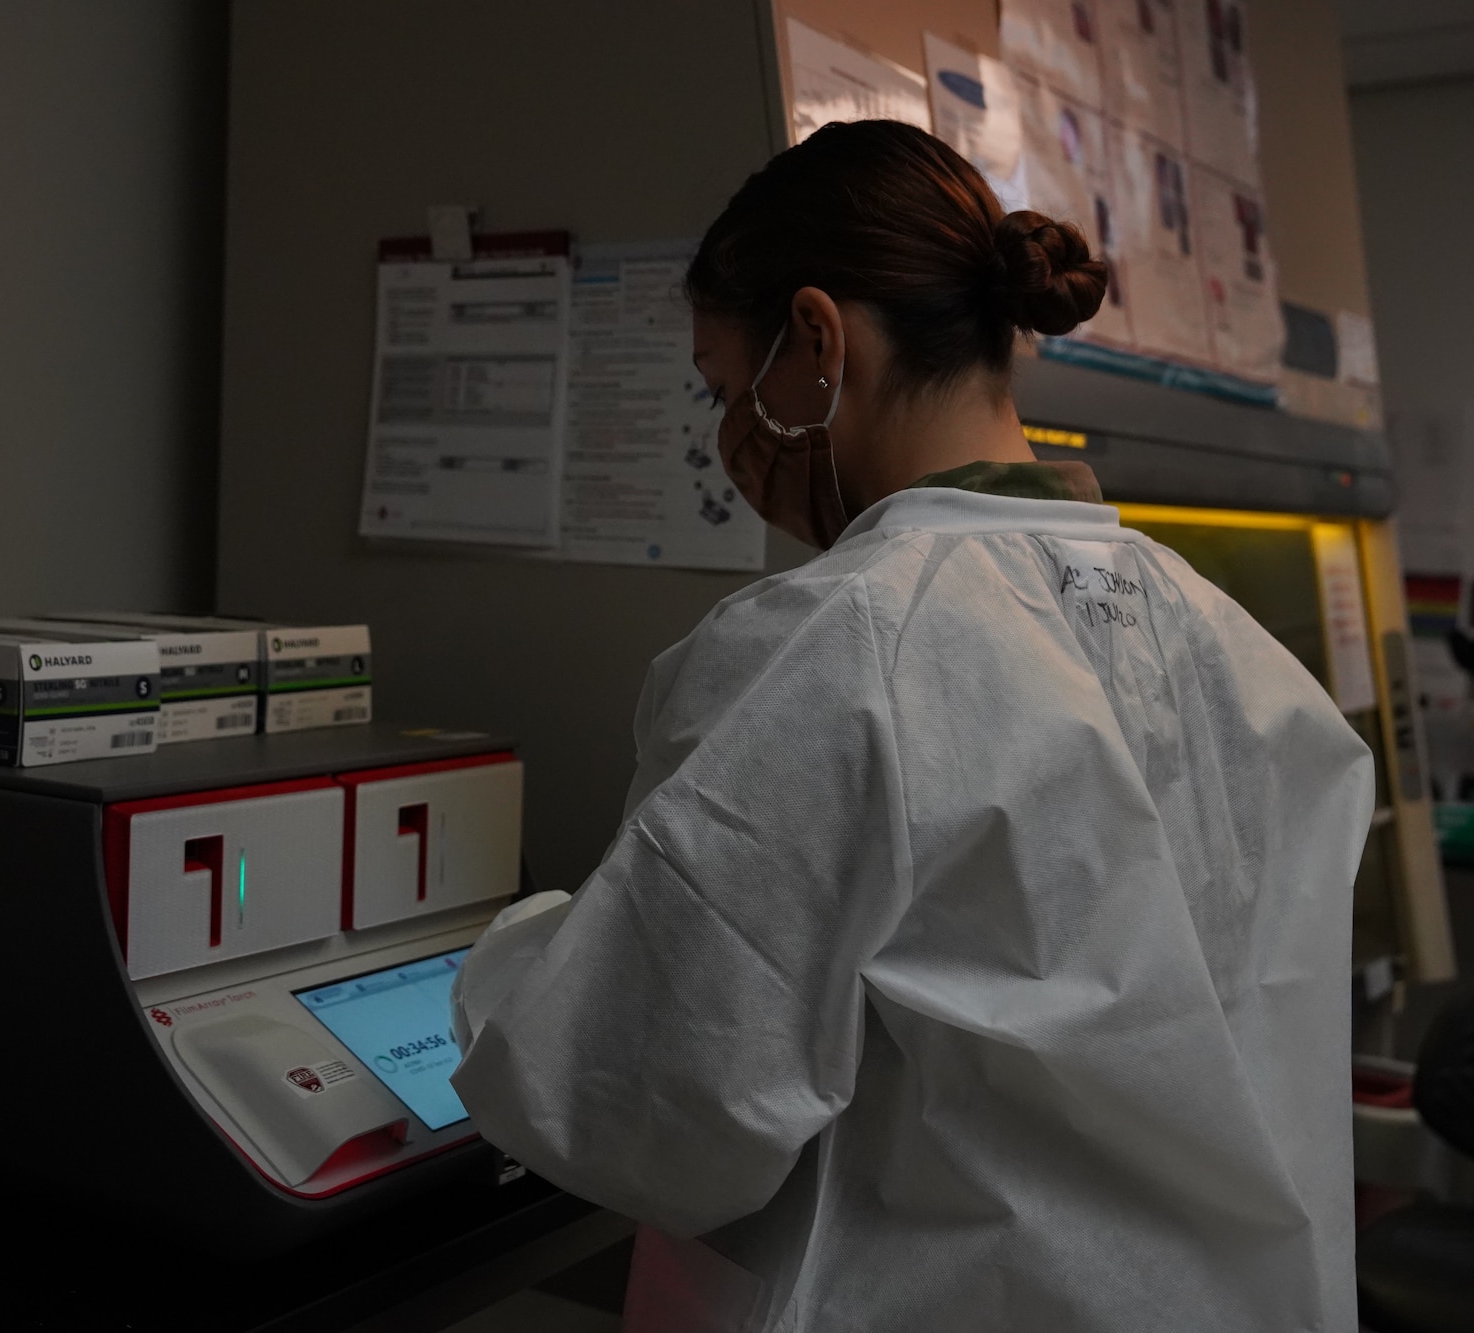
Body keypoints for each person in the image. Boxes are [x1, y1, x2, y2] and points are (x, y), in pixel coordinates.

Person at [448, 120, 1372, 1333]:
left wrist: (507, 963)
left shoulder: (832, 650)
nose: (729, 437)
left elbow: (648, 1112)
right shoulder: (1236, 650)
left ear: (818, 341)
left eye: (729, 389)